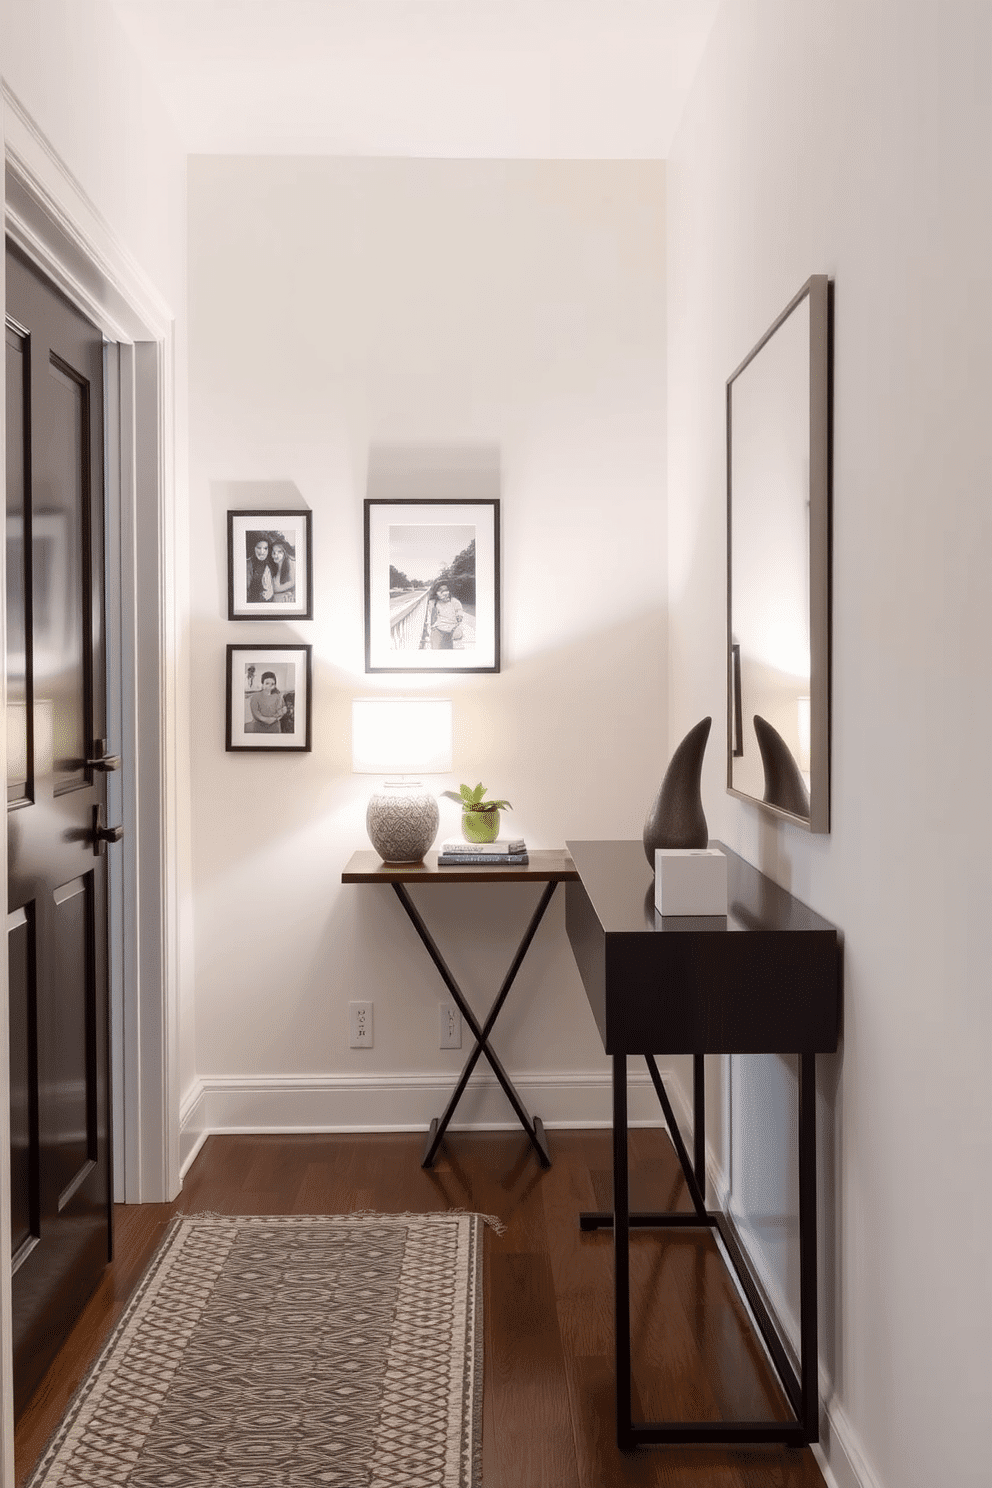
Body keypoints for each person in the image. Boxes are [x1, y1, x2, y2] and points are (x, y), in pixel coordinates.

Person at [426, 582, 464, 650]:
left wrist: (459, 616)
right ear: (436, 592)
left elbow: (459, 611)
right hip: (438, 630)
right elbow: (433, 616)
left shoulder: (454, 601)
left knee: (449, 650)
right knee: (436, 650)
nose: (444, 592)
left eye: (446, 590)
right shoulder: (434, 602)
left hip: (451, 630)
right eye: (441, 590)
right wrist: (433, 627)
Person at [246, 536, 274, 602]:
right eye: (259, 548)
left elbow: (269, 590)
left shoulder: (268, 566)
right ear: (254, 548)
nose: (262, 552)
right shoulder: (247, 564)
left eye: (265, 548)